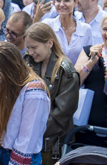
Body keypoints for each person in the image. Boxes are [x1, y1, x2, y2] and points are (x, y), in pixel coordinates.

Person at [0, 41, 50, 164]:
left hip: (22, 159)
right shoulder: (1, 86)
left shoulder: (34, 93)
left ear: (10, 72)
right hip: (0, 152)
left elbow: (26, 142)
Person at [24, 23, 79, 164]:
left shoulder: (65, 71)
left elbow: (62, 114)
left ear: (49, 43)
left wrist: (32, 130)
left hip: (51, 144)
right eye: (28, 47)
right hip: (27, 141)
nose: (30, 52)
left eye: (34, 47)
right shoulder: (27, 62)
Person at [74, 10, 107, 146]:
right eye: (105, 29)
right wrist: (91, 61)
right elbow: (74, 82)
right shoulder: (89, 51)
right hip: (88, 124)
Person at [42, 0, 93, 65]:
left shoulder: (86, 29)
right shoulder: (48, 25)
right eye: (58, 0)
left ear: (75, 2)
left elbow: (88, 59)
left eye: (66, 0)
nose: (61, 4)